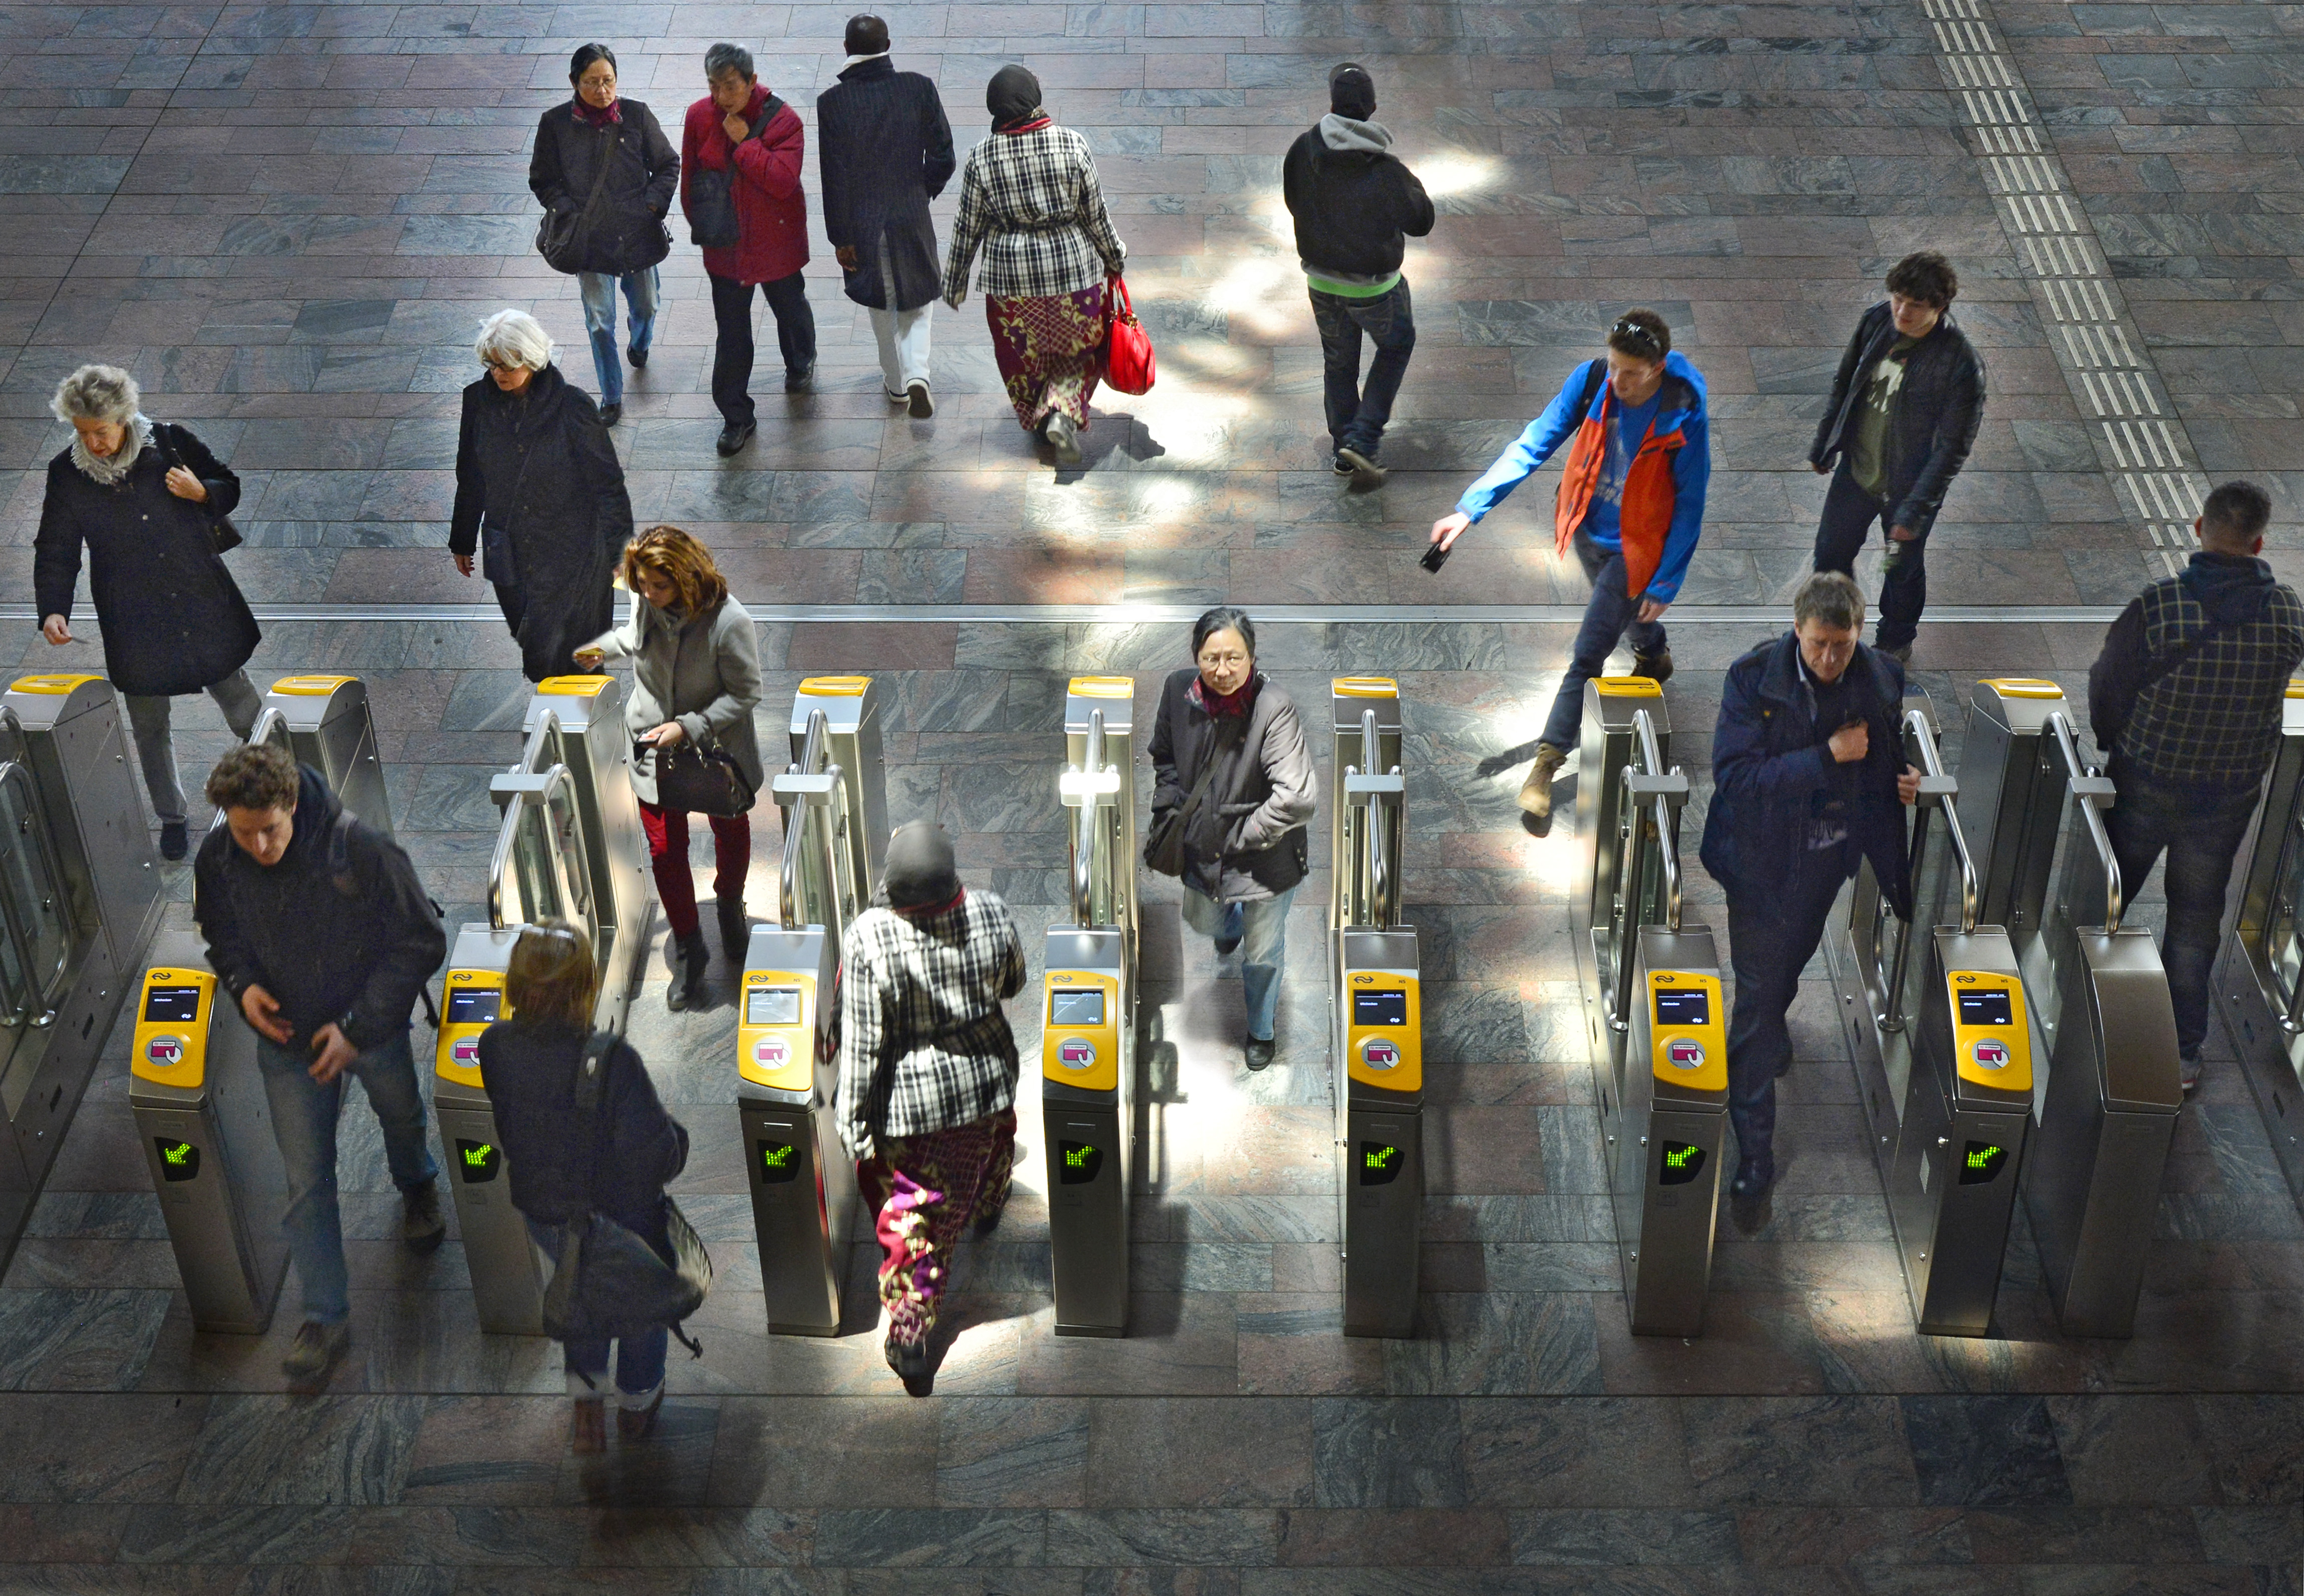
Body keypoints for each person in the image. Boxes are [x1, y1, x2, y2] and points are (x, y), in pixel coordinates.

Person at [193, 743, 448, 1389]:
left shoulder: (359, 847)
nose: (259, 846)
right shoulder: (219, 858)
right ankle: (324, 1317)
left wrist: (357, 1028)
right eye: (244, 833)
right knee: (307, 1181)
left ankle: (417, 1181)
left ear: (292, 803)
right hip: (288, 1040)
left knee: (400, 1112)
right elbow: (220, 933)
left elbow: (421, 939)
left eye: (269, 829)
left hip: (369, 1028)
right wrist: (242, 984)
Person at [1430, 310, 1711, 833]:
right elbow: (1534, 442)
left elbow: (1690, 502)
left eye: (1631, 373)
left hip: (1637, 549)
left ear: (1657, 369)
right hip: (1586, 528)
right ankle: (1653, 651)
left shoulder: (1683, 413)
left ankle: (1546, 762)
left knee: (1588, 652)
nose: (1617, 381)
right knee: (1626, 616)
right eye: (1613, 366)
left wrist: (1666, 579)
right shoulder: (1590, 382)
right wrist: (1469, 509)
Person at [1698, 572, 1920, 1201]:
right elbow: (1735, 778)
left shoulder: (1880, 676)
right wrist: (1826, 756)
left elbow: (1881, 752)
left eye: (1841, 646)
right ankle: (1755, 1154)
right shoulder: (1752, 681)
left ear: (1858, 635)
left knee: (1787, 965)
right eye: (1818, 643)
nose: (1828, 659)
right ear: (1796, 629)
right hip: (1759, 865)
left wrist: (1901, 779)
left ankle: (1769, 1027)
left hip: (1825, 863)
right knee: (1756, 997)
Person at [2089, 481, 2304, 1092]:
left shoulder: (2158, 605)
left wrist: (2110, 741)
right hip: (2226, 793)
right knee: (2192, 919)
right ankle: (2182, 1052)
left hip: (2144, 778)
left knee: (2105, 893)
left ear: (2197, 528)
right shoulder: (2285, 613)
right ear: (2258, 543)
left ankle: (2076, 1002)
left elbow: (2107, 685)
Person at [35, 364, 262, 861]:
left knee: (239, 700)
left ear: (123, 417)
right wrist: (53, 609)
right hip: (132, 617)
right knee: (149, 724)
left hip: (197, 600)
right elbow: (56, 547)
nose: (93, 443)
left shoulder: (169, 443)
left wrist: (202, 493)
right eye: (83, 433)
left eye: (101, 431)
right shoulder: (67, 474)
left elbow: (228, 484)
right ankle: (172, 817)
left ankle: (278, 784)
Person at [478, 920, 689, 1451]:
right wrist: (678, 1138)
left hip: (545, 1212)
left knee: (577, 1288)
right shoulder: (611, 1060)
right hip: (619, 1217)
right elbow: (657, 1156)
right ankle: (636, 1403)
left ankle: (586, 1399)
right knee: (640, 1301)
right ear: (582, 989)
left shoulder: (494, 1044)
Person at [839, 822, 1025, 1396]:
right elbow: (1013, 983)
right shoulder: (990, 911)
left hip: (911, 1112)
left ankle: (911, 1338)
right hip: (988, 1082)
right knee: (995, 1142)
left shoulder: (869, 937)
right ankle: (988, 1205)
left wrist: (853, 1120)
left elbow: (863, 1044)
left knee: (915, 1218)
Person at [573, 527, 763, 1012]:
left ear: (686, 576)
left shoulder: (729, 621)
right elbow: (634, 638)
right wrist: (600, 649)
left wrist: (688, 726)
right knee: (663, 850)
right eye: (641, 585)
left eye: (660, 586)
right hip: (652, 747)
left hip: (714, 750)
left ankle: (729, 904)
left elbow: (745, 693)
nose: (649, 594)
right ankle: (689, 947)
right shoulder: (643, 599)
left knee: (729, 827)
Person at [1146, 607, 1318, 1071]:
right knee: (1206, 920)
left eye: (1234, 658)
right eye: (1212, 658)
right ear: (1196, 657)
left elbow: (1298, 798)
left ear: (1252, 657)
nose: (1223, 671)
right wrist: (1171, 806)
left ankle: (1261, 1029)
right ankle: (1229, 926)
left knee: (1262, 953)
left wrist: (1245, 834)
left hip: (1265, 864)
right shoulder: (1177, 691)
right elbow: (1164, 754)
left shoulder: (1274, 708)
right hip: (1202, 851)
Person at [941, 65, 1127, 466]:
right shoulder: (1072, 144)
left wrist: (954, 281)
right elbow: (1095, 214)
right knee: (1078, 350)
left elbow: (967, 226)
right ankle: (1061, 409)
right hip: (1073, 273)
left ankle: (1043, 422)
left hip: (1010, 282)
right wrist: (1114, 256)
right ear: (1034, 100)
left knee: (1022, 358)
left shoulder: (981, 157)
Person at [1809, 250, 1986, 664]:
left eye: (1916, 305)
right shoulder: (1877, 321)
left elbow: (1952, 449)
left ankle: (1895, 640)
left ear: (1940, 307)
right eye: (1898, 299)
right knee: (1830, 556)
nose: (1902, 312)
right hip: (1858, 472)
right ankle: (1836, 628)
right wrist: (1825, 443)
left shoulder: (1960, 364)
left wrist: (1915, 510)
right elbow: (1845, 382)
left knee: (1901, 569)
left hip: (1909, 487)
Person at [448, 310, 635, 684]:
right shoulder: (478, 402)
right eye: (491, 364)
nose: (498, 373)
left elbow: (607, 483)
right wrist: (462, 539)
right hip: (512, 551)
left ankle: (585, 713)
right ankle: (564, 709)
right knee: (536, 648)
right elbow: (471, 475)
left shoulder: (573, 406)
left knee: (579, 656)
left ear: (531, 359)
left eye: (507, 365)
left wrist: (620, 552)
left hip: (575, 555)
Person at [1281, 62, 1434, 492]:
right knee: (1396, 346)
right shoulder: (1386, 171)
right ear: (1372, 110)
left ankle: (1343, 450)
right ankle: (1363, 440)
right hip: (1376, 289)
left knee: (1339, 362)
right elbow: (1421, 221)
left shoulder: (1303, 149)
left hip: (1321, 284)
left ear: (1332, 105)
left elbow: (1294, 200)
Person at [528, 42, 678, 429]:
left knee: (647, 306)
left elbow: (667, 164)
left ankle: (640, 343)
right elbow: (543, 180)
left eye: (608, 80)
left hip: (637, 234)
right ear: (574, 83)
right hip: (589, 241)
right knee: (599, 321)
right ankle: (611, 396)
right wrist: (567, 211)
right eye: (592, 82)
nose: (602, 90)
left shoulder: (637, 115)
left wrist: (652, 206)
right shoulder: (555, 124)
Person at [816, 14, 954, 418]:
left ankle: (896, 385)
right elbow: (944, 156)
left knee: (883, 306)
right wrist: (921, 192)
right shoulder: (918, 88)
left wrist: (840, 237)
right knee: (918, 302)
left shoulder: (832, 103)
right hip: (911, 214)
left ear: (846, 49)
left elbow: (834, 176)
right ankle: (918, 374)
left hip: (864, 224)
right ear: (888, 45)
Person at [684, 43, 815, 456]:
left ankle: (801, 361)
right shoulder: (698, 116)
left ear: (752, 80)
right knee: (732, 336)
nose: (721, 97)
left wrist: (746, 144)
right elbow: (690, 182)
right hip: (726, 251)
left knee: (790, 310)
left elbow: (783, 182)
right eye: (713, 86)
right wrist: (708, 229)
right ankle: (736, 416)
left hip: (777, 245)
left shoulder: (785, 121)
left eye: (730, 86)